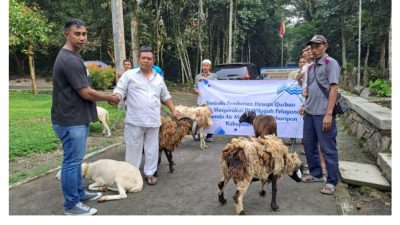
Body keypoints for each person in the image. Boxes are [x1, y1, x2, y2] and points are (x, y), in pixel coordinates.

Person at [51, 18, 120, 215]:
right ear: (67, 34)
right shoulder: (69, 59)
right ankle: (72, 205)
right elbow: (86, 92)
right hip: (70, 121)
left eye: (84, 34)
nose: (82, 38)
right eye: (77, 34)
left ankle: (80, 193)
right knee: (71, 163)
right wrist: (109, 97)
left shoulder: (73, 57)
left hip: (75, 118)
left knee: (75, 160)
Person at [113, 46, 178, 186]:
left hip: (153, 121)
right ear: (139, 59)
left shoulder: (158, 78)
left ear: (153, 61)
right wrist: (117, 96)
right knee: (133, 148)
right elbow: (120, 89)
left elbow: (165, 96)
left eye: (149, 59)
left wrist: (173, 109)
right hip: (135, 120)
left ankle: (150, 173)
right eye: (143, 58)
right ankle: (131, 175)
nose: (146, 61)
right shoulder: (129, 75)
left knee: (152, 149)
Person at [300, 35, 340, 195]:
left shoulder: (331, 64)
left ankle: (331, 181)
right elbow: (310, 90)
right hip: (309, 113)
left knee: (328, 148)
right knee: (309, 146)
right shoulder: (310, 67)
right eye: (312, 47)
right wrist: (305, 103)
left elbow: (334, 89)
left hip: (323, 114)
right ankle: (315, 173)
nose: (314, 50)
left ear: (325, 46)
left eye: (317, 46)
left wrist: (329, 114)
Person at [194, 59, 217, 142]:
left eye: (207, 65)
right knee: (199, 117)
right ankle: (199, 134)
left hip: (210, 101)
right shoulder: (198, 76)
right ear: (202, 67)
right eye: (203, 65)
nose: (205, 67)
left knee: (209, 117)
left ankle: (210, 135)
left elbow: (216, 87)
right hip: (200, 100)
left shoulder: (214, 76)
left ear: (210, 67)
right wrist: (196, 91)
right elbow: (195, 87)